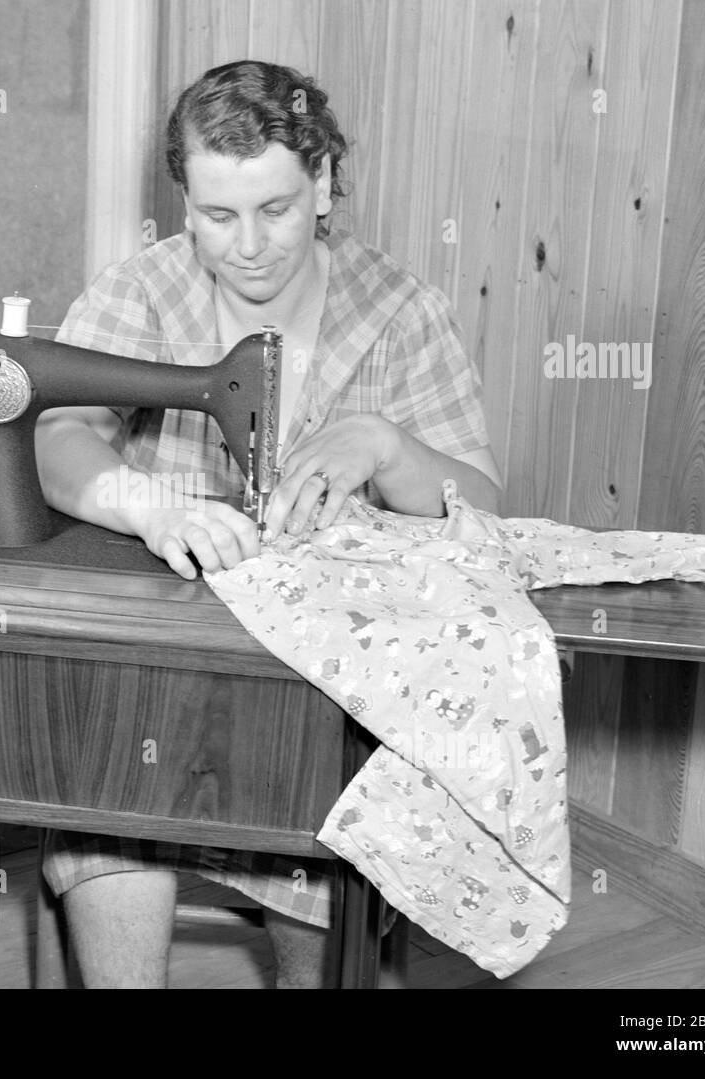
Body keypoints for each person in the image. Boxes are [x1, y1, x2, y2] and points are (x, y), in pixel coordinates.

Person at [34, 60, 503, 988]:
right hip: (151, 685)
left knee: (328, 910)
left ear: (324, 182)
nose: (246, 246)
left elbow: (481, 508)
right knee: (108, 831)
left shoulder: (402, 316)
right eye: (216, 216)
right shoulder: (142, 294)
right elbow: (57, 439)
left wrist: (385, 447)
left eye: (276, 210)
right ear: (185, 200)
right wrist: (143, 502)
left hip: (327, 702)